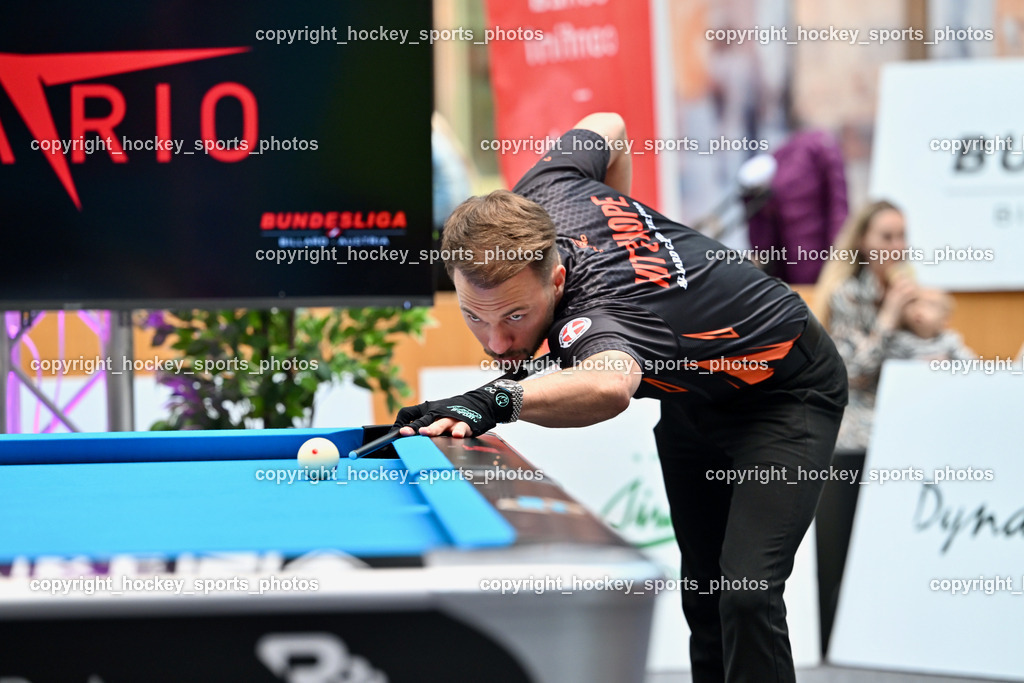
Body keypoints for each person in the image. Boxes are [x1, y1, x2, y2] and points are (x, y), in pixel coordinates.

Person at [394, 113, 848, 683]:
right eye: (473, 316)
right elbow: (608, 125)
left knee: (746, 595)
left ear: (556, 280)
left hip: (784, 390)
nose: (496, 340)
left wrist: (496, 400)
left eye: (514, 315)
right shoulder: (546, 189)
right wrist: (629, 226)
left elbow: (609, 386)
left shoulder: (601, 314)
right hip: (695, 395)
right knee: (705, 596)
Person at [816, 200, 917, 452]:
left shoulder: (904, 288)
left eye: (902, 237)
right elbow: (853, 374)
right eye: (887, 238)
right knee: (898, 437)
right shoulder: (848, 294)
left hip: (904, 398)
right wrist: (889, 317)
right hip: (859, 407)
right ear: (862, 242)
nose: (898, 248)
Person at [889, 288, 975, 362]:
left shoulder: (949, 341)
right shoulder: (901, 341)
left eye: (930, 305)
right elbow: (892, 369)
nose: (919, 309)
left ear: (944, 320)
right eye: (915, 303)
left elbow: (971, 364)